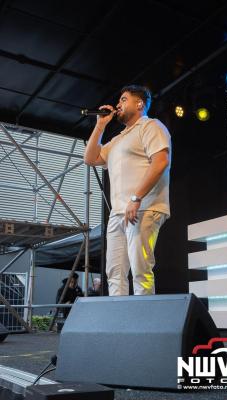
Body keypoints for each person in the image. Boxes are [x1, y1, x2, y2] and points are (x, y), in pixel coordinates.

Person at [84, 85, 171, 296]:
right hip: (118, 214)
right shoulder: (117, 139)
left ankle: (144, 326)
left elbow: (160, 162)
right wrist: (100, 126)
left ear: (139, 104)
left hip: (144, 207)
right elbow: (89, 158)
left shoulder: (151, 126)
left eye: (123, 100)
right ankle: (119, 325)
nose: (118, 105)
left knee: (141, 270)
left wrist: (136, 197)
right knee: (114, 273)